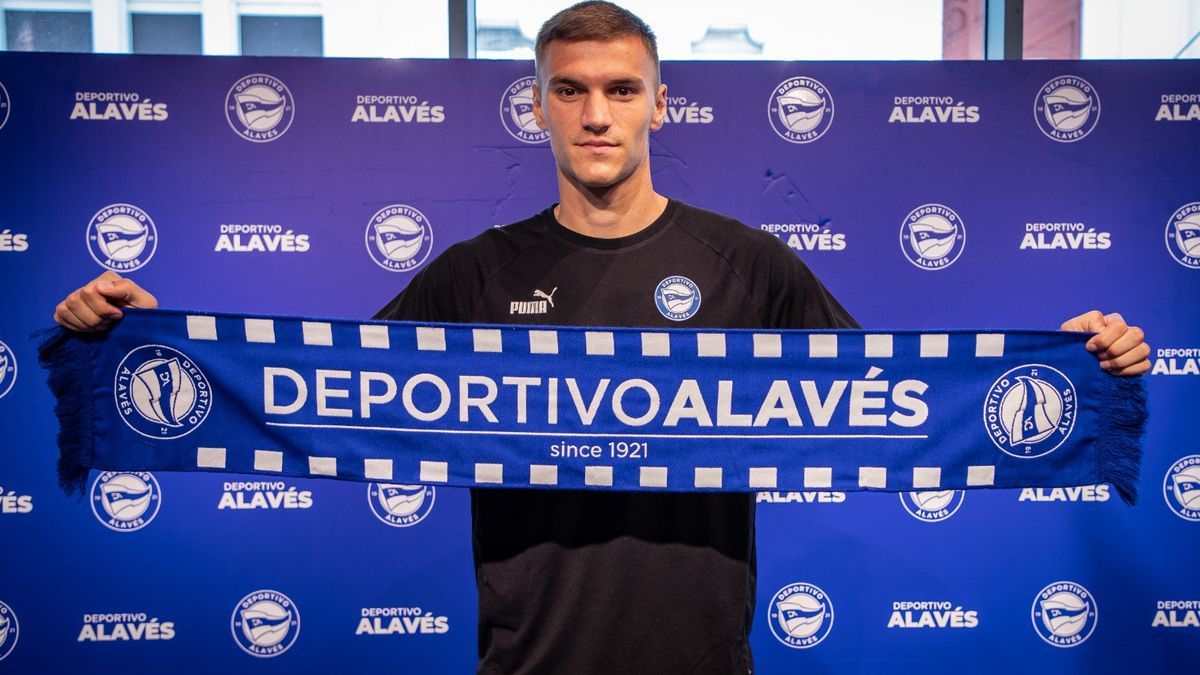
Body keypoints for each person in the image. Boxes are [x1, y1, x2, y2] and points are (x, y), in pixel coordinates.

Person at [54, 2, 1150, 672]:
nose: (595, 114)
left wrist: (1069, 371)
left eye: (622, 90)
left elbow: (891, 400)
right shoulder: (478, 271)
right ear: (536, 106)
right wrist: (142, 347)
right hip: (527, 655)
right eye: (570, 91)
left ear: (660, 103)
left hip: (704, 654)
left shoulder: (746, 261)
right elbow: (325, 393)